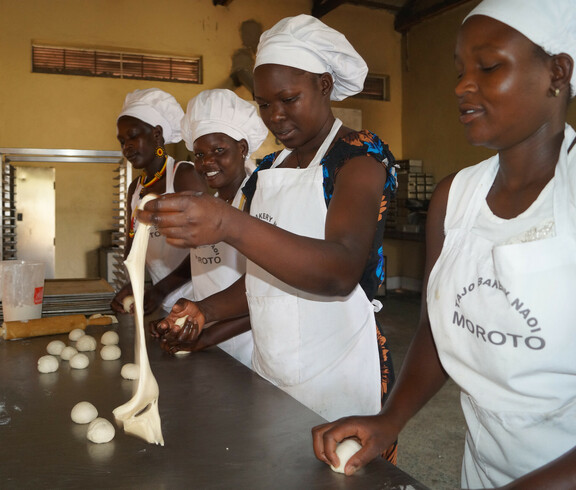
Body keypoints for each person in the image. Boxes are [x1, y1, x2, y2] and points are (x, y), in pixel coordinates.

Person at [312, 0, 576, 487]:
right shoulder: (456, 197)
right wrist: (390, 418)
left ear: (557, 71)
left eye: (489, 66)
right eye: (459, 70)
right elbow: (439, 329)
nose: (461, 86)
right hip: (480, 471)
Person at [139, 14, 397, 456]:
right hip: (272, 368)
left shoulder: (359, 159)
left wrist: (229, 223)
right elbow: (265, 279)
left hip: (338, 370)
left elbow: (339, 269)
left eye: (288, 98)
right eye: (264, 104)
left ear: (323, 85)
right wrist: (205, 310)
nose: (276, 116)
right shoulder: (267, 172)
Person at [152, 88, 268, 368]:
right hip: (210, 338)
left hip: (248, 348)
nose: (206, 163)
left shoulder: (257, 202)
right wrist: (183, 322)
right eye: (199, 154)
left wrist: (207, 334)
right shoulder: (211, 204)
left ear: (242, 148)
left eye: (219, 150)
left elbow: (264, 295)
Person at [111, 88, 207, 315]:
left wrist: (160, 289)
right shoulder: (136, 189)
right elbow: (131, 245)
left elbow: (205, 247)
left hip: (196, 299)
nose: (127, 147)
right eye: (122, 141)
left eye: (133, 136)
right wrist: (135, 285)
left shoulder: (183, 175)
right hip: (161, 300)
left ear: (156, 134)